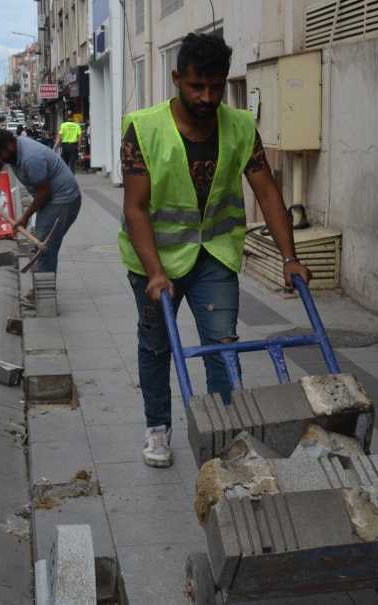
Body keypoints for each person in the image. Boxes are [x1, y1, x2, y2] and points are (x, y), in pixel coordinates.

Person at [120, 33, 311, 468]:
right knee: (156, 347)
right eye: (196, 86)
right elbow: (135, 208)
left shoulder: (240, 126)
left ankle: (226, 432)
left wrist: (290, 258)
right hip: (156, 260)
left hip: (215, 256)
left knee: (223, 346)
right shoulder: (143, 128)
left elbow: (267, 192)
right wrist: (155, 272)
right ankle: (158, 427)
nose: (207, 97)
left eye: (216, 86)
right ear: (177, 79)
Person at [0, 127, 82, 276]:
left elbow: (44, 194)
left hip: (63, 200)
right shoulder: (12, 150)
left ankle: (45, 286)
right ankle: (43, 279)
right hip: (51, 197)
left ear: (9, 145)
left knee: (45, 247)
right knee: (43, 243)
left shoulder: (31, 158)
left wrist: (24, 217)